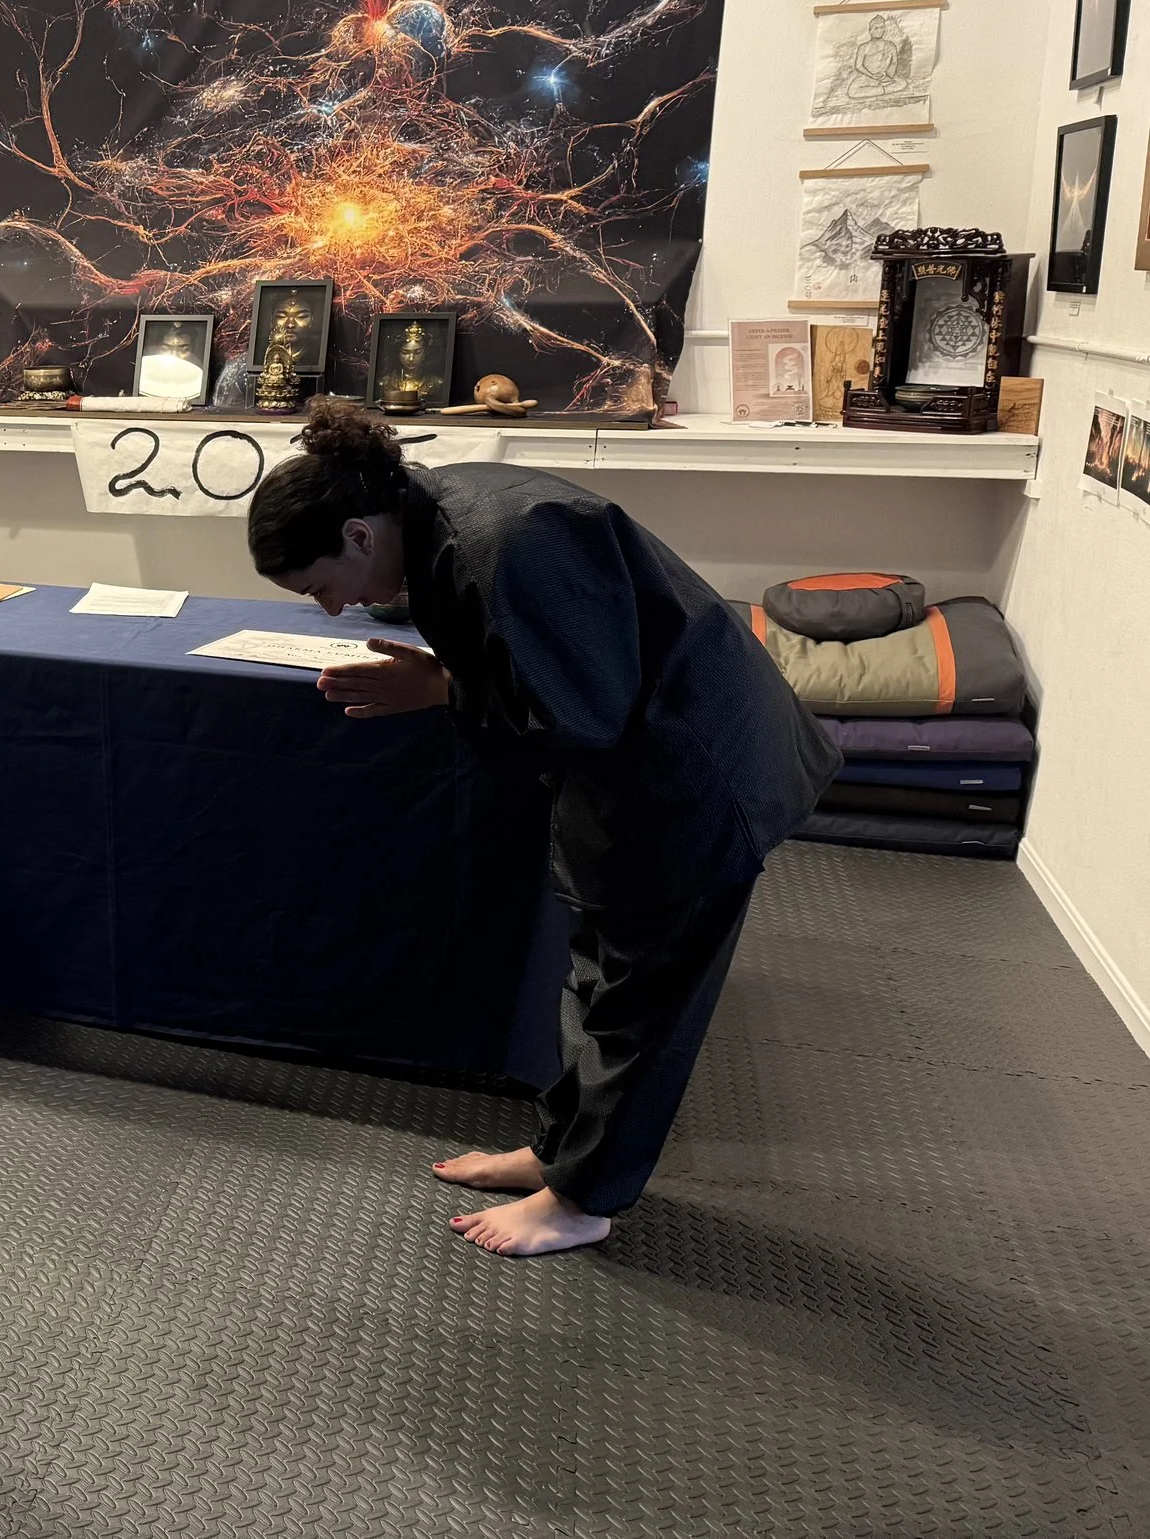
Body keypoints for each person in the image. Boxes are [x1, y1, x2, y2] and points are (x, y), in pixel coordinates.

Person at [244, 402, 838, 1257]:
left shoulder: (500, 541)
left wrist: (444, 690)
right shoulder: (437, 512)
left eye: (321, 587)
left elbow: (581, 710)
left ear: (358, 535)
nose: (333, 610)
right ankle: (559, 1153)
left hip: (696, 771)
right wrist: (453, 673)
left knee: (644, 999)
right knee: (598, 971)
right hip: (637, 765)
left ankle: (584, 1198)